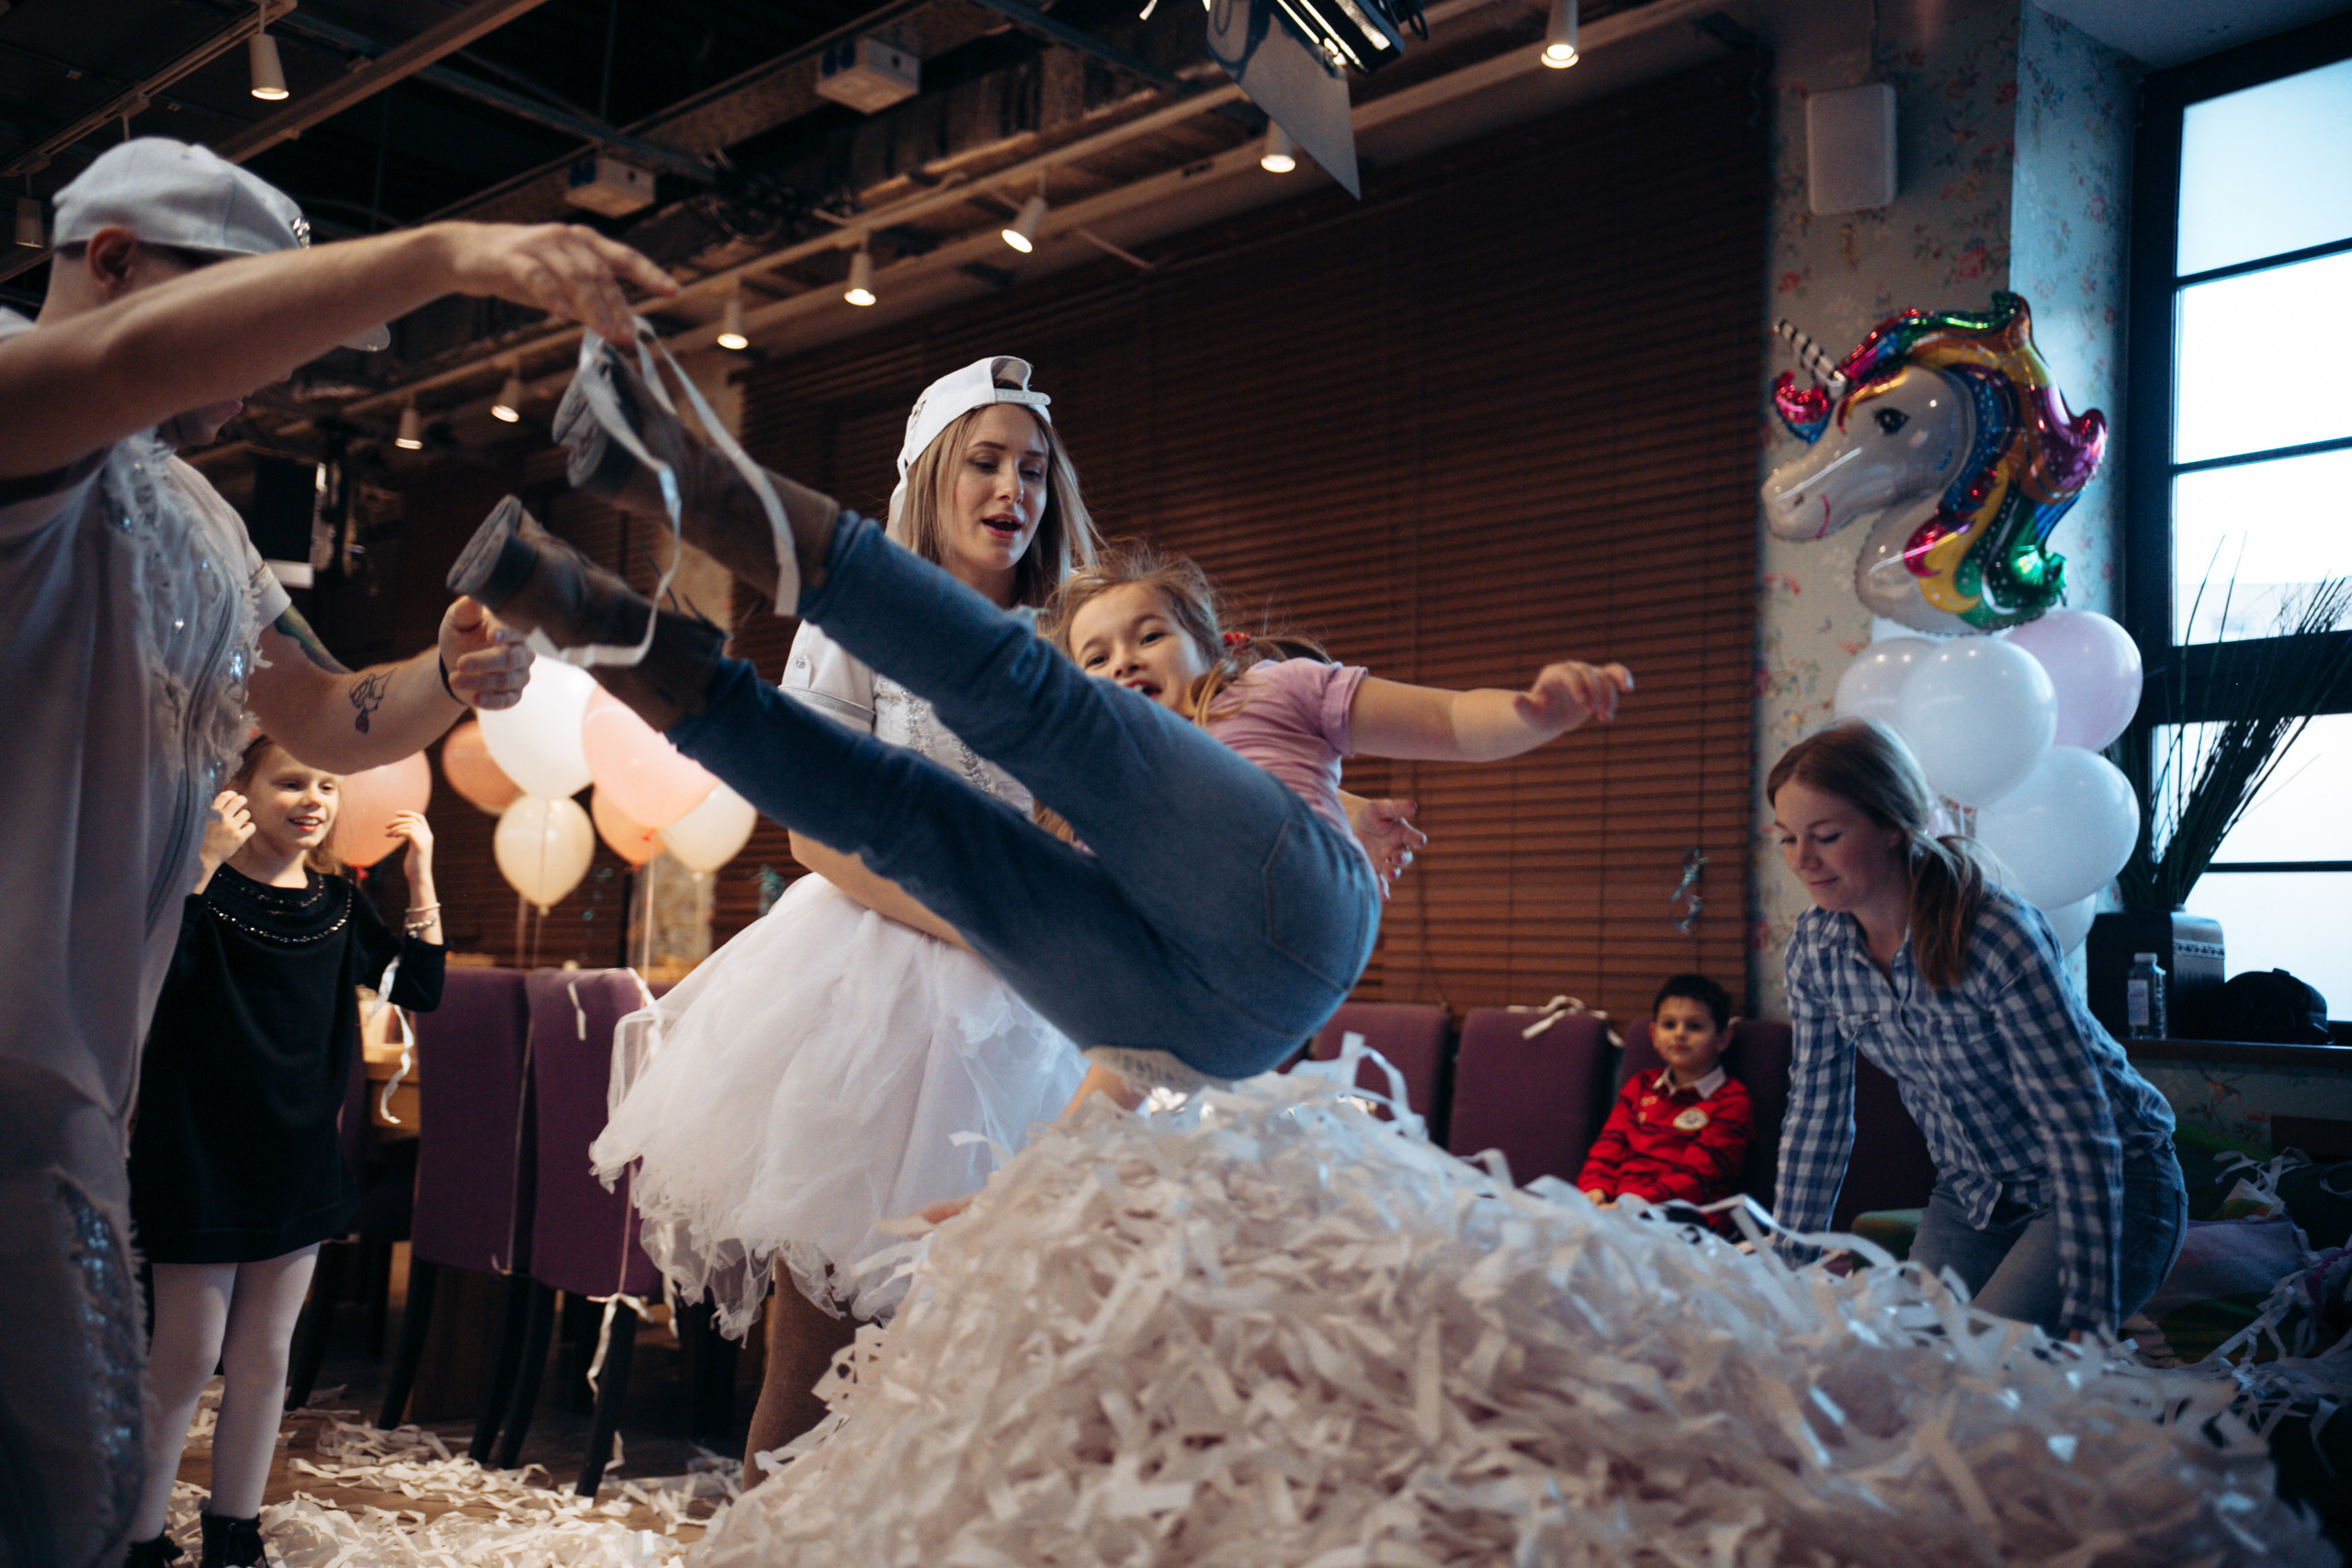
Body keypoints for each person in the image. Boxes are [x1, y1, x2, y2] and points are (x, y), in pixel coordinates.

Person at [0, 137, 672, 1568]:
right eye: (248, 317)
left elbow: (323, 713)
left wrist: (448, 669)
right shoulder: (15, 391)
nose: (256, 388)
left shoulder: (199, 522)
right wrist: (449, 252)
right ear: (111, 260)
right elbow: (104, 377)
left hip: (66, 1090)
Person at [447, 362, 1633, 1099]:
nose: (1122, 671)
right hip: (1182, 1021)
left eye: (1149, 644)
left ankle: (674, 468)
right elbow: (1119, 1051)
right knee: (920, 822)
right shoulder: (1128, 785)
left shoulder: (1276, 688)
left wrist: (1530, 713)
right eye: (1101, 655)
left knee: (1028, 701)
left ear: (1216, 645)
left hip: (1307, 916)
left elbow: (1452, 725)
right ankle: (592, 614)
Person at [122, 739, 443, 1567]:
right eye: (290, 781)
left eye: (327, 785)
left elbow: (422, 987)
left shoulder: (339, 901)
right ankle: (136, 1538)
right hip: (196, 1153)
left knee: (266, 1357)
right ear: (240, 790)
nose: (313, 799)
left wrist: (423, 877)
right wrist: (201, 865)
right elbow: (150, 978)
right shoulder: (202, 886)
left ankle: (235, 1535)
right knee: (186, 1356)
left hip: (296, 1155)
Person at [1767, 720, 2186, 1340]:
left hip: (2110, 1183)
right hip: (1974, 1195)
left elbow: (2078, 1124)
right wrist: (1780, 1270)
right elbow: (1817, 1119)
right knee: (1907, 1369)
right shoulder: (1816, 950)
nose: (1803, 859)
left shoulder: (1994, 931)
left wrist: (2089, 1306)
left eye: (1826, 835)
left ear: (1891, 826)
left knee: (1985, 1371)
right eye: (1787, 838)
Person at [1577, 975, 1752, 1220]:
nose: (1680, 1034)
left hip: (1682, 1215)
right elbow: (1607, 1149)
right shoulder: (1639, 1086)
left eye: (1695, 1026)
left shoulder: (1731, 1100)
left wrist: (1631, 1208)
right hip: (1616, 1210)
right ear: (1654, 1035)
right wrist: (1593, 1192)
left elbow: (1697, 1178)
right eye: (1669, 1025)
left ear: (1722, 1039)